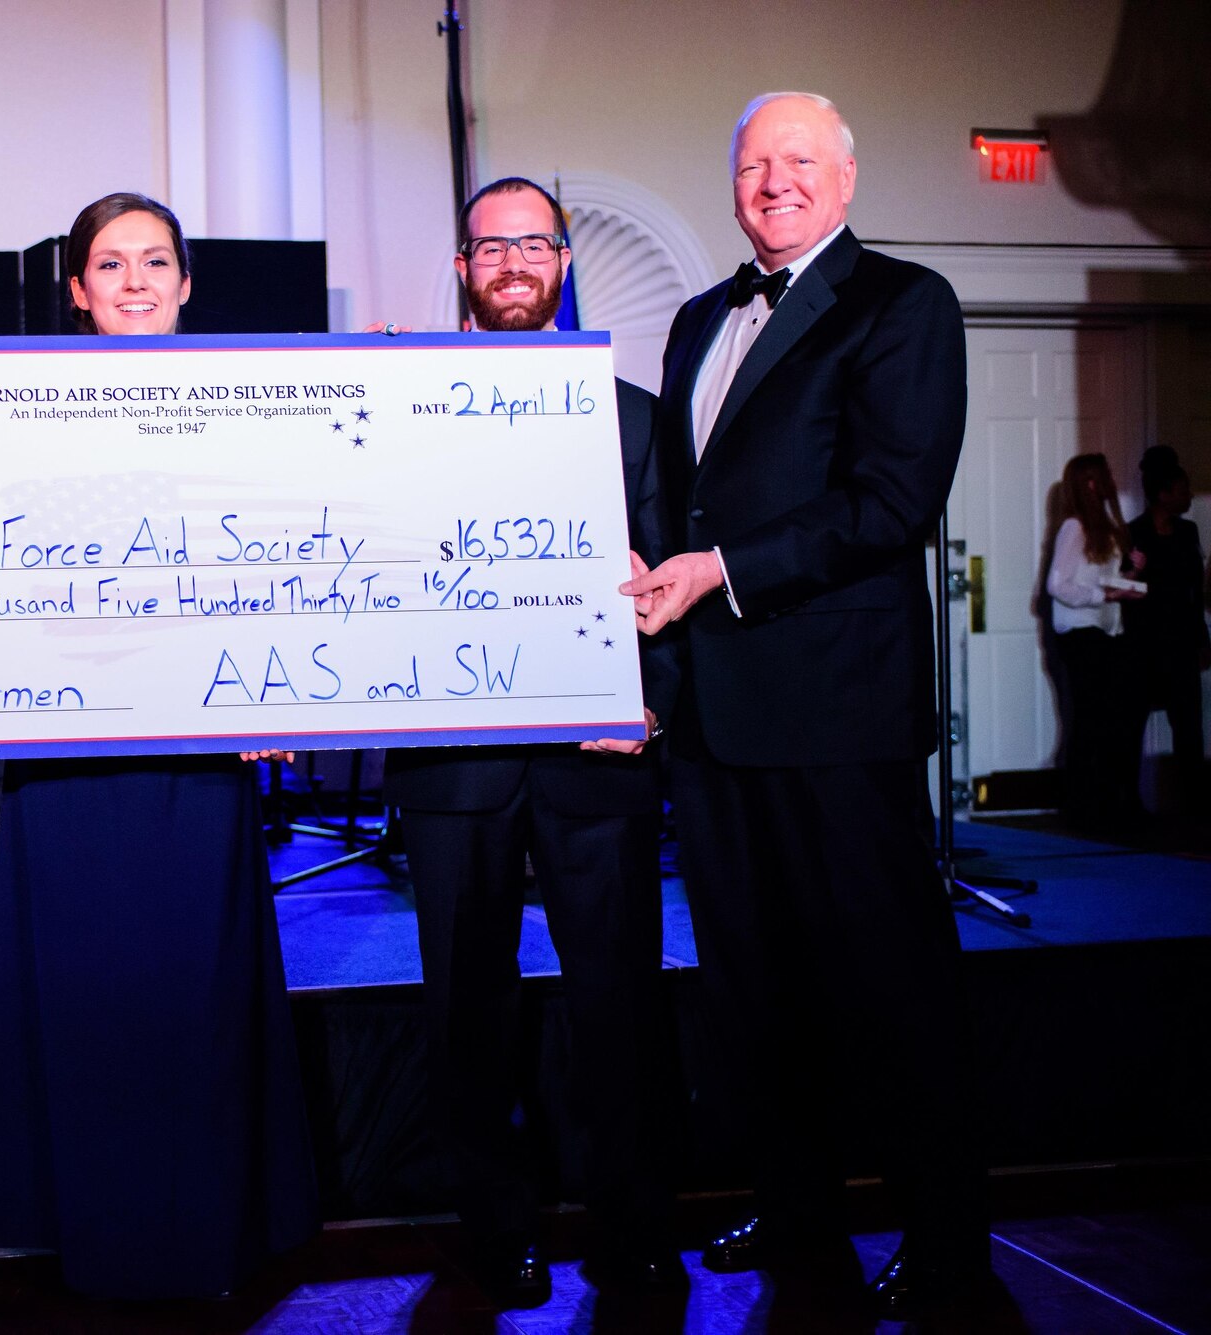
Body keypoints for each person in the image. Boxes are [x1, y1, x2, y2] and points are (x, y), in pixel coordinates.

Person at [622, 92, 989, 1317]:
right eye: (751, 163)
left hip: (836, 716)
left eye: (796, 161)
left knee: (889, 991)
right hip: (716, 724)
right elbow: (677, 514)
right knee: (751, 994)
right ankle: (796, 1219)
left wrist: (720, 574)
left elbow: (891, 504)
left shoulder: (901, 303)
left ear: (843, 177)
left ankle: (944, 1245)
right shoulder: (691, 321)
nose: (772, 181)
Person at [0, 192, 318, 1300]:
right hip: (65, 752)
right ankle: (92, 1241)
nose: (132, 282)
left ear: (186, 280)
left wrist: (287, 689)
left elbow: (288, 542)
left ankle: (206, 1236)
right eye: (108, 265)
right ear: (75, 287)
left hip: (198, 752)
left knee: (194, 991)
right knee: (81, 993)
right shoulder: (7, 406)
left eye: (152, 262)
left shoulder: (251, 404)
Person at [377, 177, 682, 1306]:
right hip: (450, 760)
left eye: (531, 242)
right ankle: (495, 1229)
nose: (511, 260)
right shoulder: (387, 409)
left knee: (620, 1002)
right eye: (488, 244)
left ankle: (635, 1223)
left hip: (594, 757)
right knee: (467, 1012)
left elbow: (667, 583)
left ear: (562, 261)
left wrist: (650, 700)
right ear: (462, 266)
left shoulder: (637, 418)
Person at [1047, 453, 1147, 825]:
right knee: (1090, 720)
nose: (1105, 481)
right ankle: (1082, 807)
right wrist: (1104, 596)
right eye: (1098, 476)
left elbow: (1097, 579)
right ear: (1087, 483)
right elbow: (1058, 585)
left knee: (1106, 720)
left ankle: (1102, 804)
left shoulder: (1102, 525)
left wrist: (1129, 575)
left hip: (1103, 632)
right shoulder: (1075, 526)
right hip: (1081, 635)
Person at [1124, 445, 1208, 806]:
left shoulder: (1187, 533)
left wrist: (1202, 638)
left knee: (1188, 725)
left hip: (1182, 642)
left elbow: (1194, 590)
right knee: (1132, 723)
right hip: (1145, 644)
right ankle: (1128, 799)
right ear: (1163, 493)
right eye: (1182, 489)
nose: (1188, 496)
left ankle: (1194, 800)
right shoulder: (1134, 534)